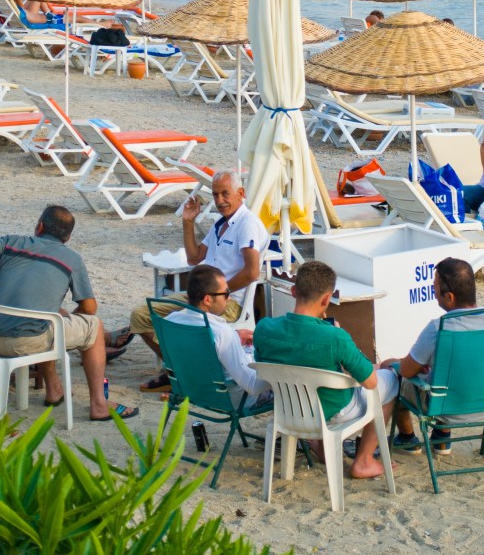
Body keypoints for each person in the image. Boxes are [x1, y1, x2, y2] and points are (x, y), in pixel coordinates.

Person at [0, 205, 138, 421]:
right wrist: (68, 317)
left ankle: (54, 389)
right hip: (25, 342)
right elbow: (89, 308)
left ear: (39, 227)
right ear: (67, 237)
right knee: (94, 326)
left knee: (49, 318)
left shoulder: (13, 243)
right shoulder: (72, 259)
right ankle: (99, 404)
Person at [254, 260, 397, 480]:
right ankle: (364, 460)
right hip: (334, 412)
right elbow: (370, 382)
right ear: (326, 299)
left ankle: (322, 449)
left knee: (319, 381)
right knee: (390, 380)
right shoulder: (335, 337)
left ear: (293, 291)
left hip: (288, 409)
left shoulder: (264, 329)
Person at [131, 170, 269, 391]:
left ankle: (180, 372)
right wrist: (188, 222)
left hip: (226, 301)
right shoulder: (220, 224)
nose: (220, 200)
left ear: (241, 193)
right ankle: (179, 369)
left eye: (225, 194)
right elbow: (194, 257)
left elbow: (252, 272)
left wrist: (220, 293)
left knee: (172, 322)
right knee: (140, 316)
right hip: (203, 295)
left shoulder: (247, 223)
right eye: (215, 194)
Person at [381, 257, 484, 455]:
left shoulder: (438, 328)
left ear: (449, 297)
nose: (433, 292)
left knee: (392, 372)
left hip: (448, 407)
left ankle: (407, 439)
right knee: (451, 370)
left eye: (434, 287)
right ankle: (441, 438)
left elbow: (406, 371)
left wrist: (393, 363)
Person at [169, 265, 271, 402]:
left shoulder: (170, 321)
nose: (228, 299)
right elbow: (253, 386)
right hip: (231, 400)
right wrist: (281, 367)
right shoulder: (221, 333)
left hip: (192, 392)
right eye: (226, 293)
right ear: (207, 300)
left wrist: (234, 336)